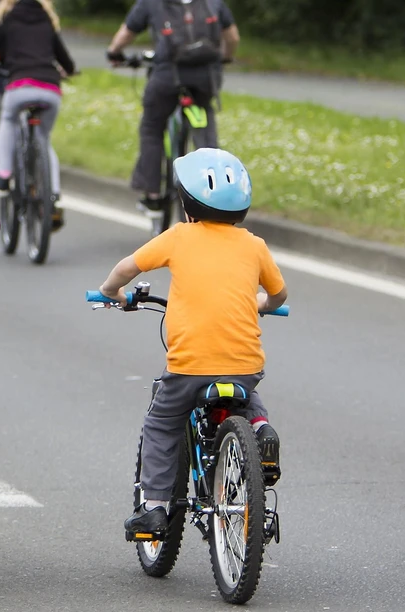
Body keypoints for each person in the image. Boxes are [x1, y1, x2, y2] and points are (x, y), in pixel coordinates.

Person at [95, 148, 285, 538]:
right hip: (244, 363)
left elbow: (128, 268)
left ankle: (155, 509)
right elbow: (279, 295)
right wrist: (261, 304)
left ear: (187, 206)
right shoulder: (254, 245)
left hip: (189, 367)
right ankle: (262, 429)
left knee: (162, 423)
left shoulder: (178, 237)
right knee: (246, 392)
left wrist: (111, 291)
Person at [106, 0, 238, 214]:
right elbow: (232, 38)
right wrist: (226, 58)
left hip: (168, 78)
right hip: (205, 78)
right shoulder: (212, 2)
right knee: (206, 125)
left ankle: (153, 195)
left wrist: (114, 52)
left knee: (152, 127)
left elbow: (126, 34)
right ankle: (218, 193)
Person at [0, 0, 73, 230]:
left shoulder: (7, 20)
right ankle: (52, 194)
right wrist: (66, 71)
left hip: (19, 87)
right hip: (50, 90)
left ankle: (3, 175)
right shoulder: (47, 22)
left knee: (8, 119)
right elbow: (67, 63)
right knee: (43, 137)